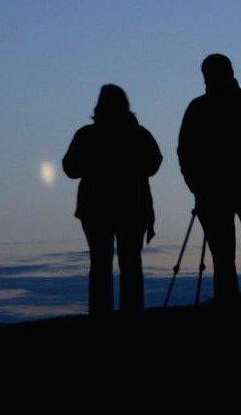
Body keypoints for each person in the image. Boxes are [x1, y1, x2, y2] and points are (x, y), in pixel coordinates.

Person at [177, 54, 241, 300]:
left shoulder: (202, 108)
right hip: (239, 189)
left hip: (239, 189)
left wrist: (197, 185)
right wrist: (197, 186)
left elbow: (186, 153)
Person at [63, 85, 162, 315]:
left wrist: (95, 166)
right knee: (130, 263)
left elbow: (70, 168)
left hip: (97, 209)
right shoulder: (138, 134)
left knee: (100, 264)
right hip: (132, 207)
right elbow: (154, 163)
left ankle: (100, 314)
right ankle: (133, 312)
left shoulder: (87, 135)